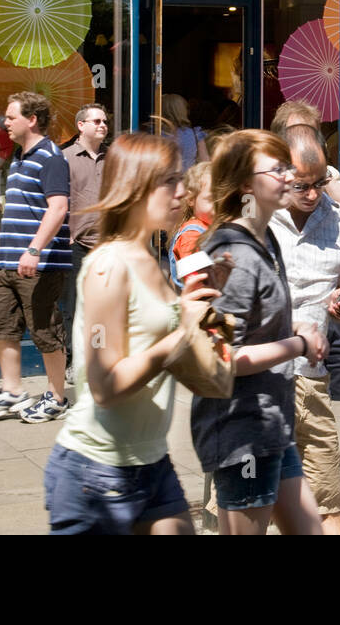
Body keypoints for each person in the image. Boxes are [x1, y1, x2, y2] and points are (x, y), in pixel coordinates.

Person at [44, 132, 210, 534]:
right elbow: (103, 385)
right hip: (97, 473)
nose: (182, 190)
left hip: (151, 461)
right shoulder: (108, 266)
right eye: (170, 180)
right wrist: (180, 333)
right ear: (136, 188)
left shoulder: (149, 258)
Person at [190, 129, 326, 535]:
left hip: (271, 424)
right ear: (247, 183)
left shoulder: (264, 240)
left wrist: (294, 325)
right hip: (242, 430)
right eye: (278, 168)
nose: (290, 175)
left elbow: (253, 325)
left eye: (288, 166)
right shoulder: (233, 255)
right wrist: (297, 344)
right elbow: (220, 357)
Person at [270, 125, 340, 535]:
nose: (312, 194)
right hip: (256, 381)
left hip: (311, 381)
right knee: (238, 510)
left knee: (328, 500)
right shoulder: (254, 218)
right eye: (301, 185)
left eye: (319, 182)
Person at [0, 92, 73, 423]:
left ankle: (57, 397)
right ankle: (12, 391)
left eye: (11, 116)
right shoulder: (18, 157)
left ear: (32, 119)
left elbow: (58, 208)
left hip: (39, 264)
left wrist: (34, 249)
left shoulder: (51, 157)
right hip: (8, 262)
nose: (5, 121)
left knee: (45, 331)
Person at [61, 102, 109, 379]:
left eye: (104, 121)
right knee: (75, 305)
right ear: (81, 125)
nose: (102, 125)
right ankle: (72, 360)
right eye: (96, 121)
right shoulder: (65, 157)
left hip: (106, 242)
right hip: (76, 243)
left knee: (104, 305)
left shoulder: (112, 158)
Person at [271, 99, 340, 224]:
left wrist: (321, 175)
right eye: (297, 135)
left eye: (311, 135)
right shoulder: (267, 176)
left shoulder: (329, 174)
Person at [170, 161, 213, 274]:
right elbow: (196, 278)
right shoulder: (190, 236)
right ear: (191, 199)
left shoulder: (210, 226)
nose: (218, 206)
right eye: (211, 199)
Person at [158, 94, 208, 170]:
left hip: (164, 180)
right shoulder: (195, 134)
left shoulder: (155, 132)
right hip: (188, 179)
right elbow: (205, 161)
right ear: (183, 110)